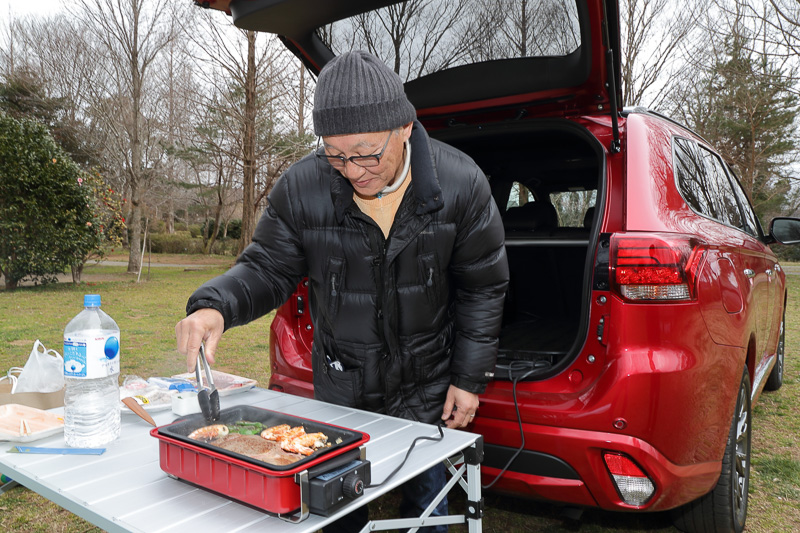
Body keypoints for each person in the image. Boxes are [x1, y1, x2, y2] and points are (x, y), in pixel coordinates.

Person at [175, 50, 509, 532]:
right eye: (335, 154)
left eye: (366, 152)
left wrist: (469, 378)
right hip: (342, 386)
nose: (352, 171)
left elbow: (483, 287)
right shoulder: (303, 187)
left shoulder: (462, 184)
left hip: (427, 386)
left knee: (428, 510)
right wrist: (215, 307)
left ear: (405, 128)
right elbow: (267, 266)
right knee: (334, 512)